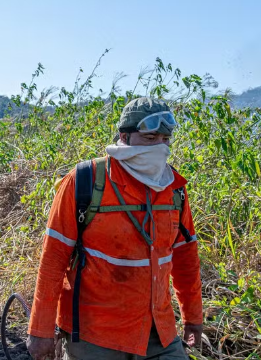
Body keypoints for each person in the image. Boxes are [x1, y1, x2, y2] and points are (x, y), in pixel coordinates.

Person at [27, 98, 203, 359]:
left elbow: (185, 257)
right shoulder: (85, 180)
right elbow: (53, 260)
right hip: (94, 334)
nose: (160, 147)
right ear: (125, 136)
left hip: (158, 330)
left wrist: (193, 317)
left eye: (165, 139)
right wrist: (40, 331)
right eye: (150, 137)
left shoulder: (174, 187)